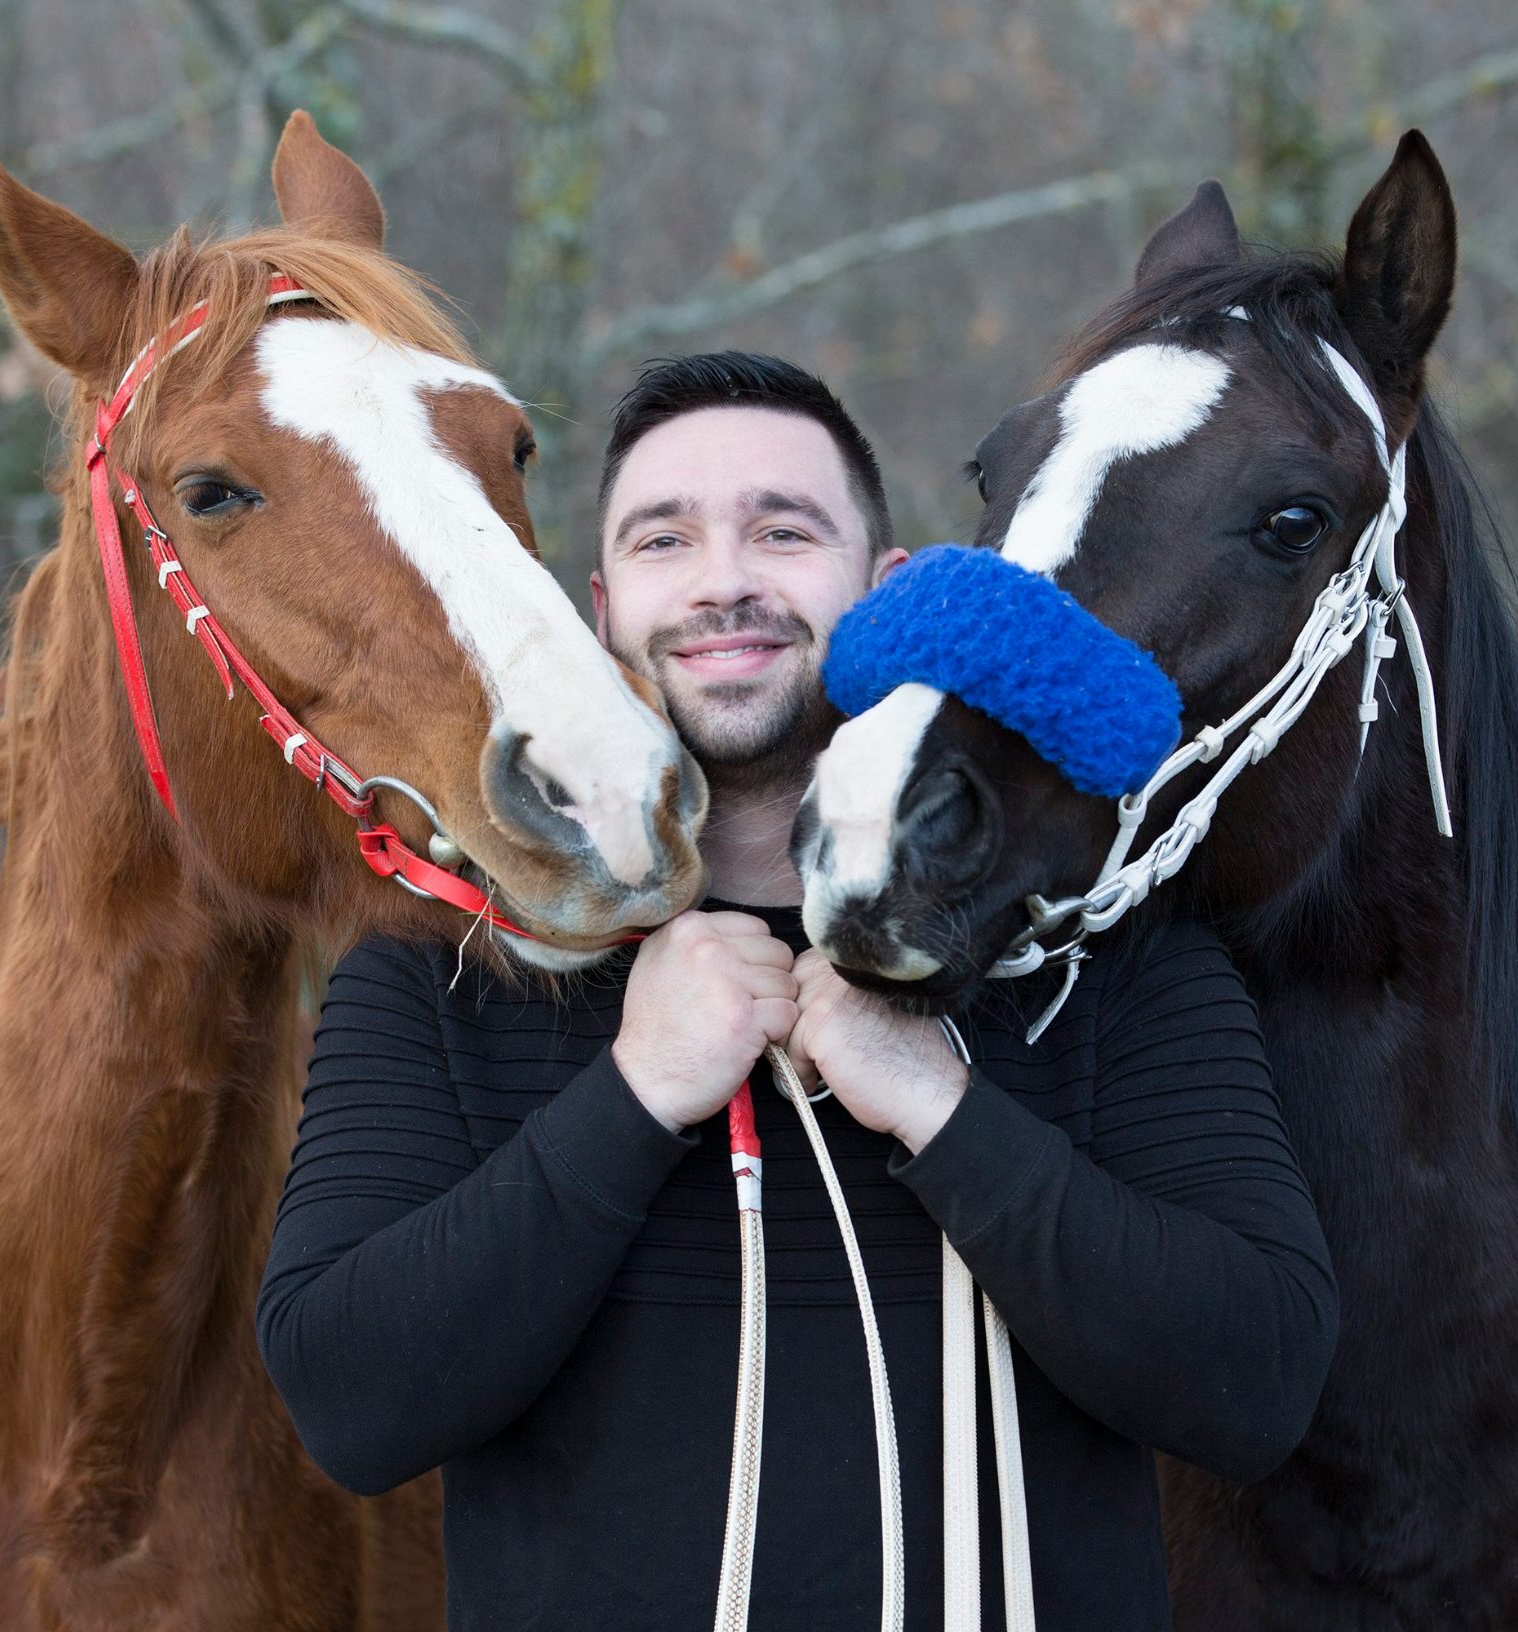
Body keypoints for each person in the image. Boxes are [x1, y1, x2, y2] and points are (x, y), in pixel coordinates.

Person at [257, 353, 1338, 1630]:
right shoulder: (447, 972)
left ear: (883, 589)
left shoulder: (1097, 955)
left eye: (783, 530)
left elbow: (1257, 1386)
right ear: (601, 608)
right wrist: (634, 1092)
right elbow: (350, 1405)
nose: (725, 580)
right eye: (667, 541)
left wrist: (946, 1114)